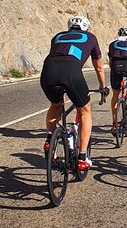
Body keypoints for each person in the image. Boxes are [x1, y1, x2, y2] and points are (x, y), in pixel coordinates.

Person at [40, 15, 108, 171]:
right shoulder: (90, 37)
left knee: (56, 104)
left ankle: (50, 138)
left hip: (48, 70)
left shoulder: (58, 36)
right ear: (86, 27)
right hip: (71, 71)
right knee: (85, 110)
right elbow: (98, 67)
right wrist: (103, 87)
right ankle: (82, 157)